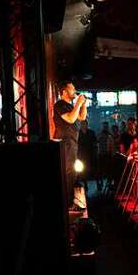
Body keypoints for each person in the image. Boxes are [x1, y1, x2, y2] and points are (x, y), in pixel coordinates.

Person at [53, 81, 87, 209]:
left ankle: (70, 201)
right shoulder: (59, 105)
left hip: (73, 142)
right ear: (64, 92)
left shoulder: (71, 106)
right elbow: (71, 119)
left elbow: (82, 117)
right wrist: (78, 103)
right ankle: (66, 204)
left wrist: (83, 104)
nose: (75, 91)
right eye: (72, 89)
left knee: (72, 172)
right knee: (67, 172)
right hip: (65, 143)